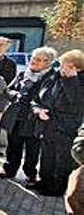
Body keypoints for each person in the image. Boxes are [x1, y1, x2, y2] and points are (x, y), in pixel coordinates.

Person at [0, 47, 58, 186]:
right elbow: (9, 90)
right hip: (17, 116)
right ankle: (9, 170)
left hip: (34, 119)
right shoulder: (23, 73)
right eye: (33, 58)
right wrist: (15, 95)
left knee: (32, 149)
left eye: (38, 60)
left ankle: (30, 174)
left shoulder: (52, 78)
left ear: (48, 62)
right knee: (13, 145)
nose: (33, 62)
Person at [31, 49, 83, 196]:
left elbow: (77, 104)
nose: (61, 68)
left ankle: (58, 187)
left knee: (62, 159)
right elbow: (37, 99)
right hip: (47, 125)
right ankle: (44, 182)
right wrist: (38, 111)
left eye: (65, 65)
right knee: (46, 156)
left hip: (66, 128)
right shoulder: (53, 77)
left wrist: (71, 80)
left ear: (76, 68)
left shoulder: (79, 82)